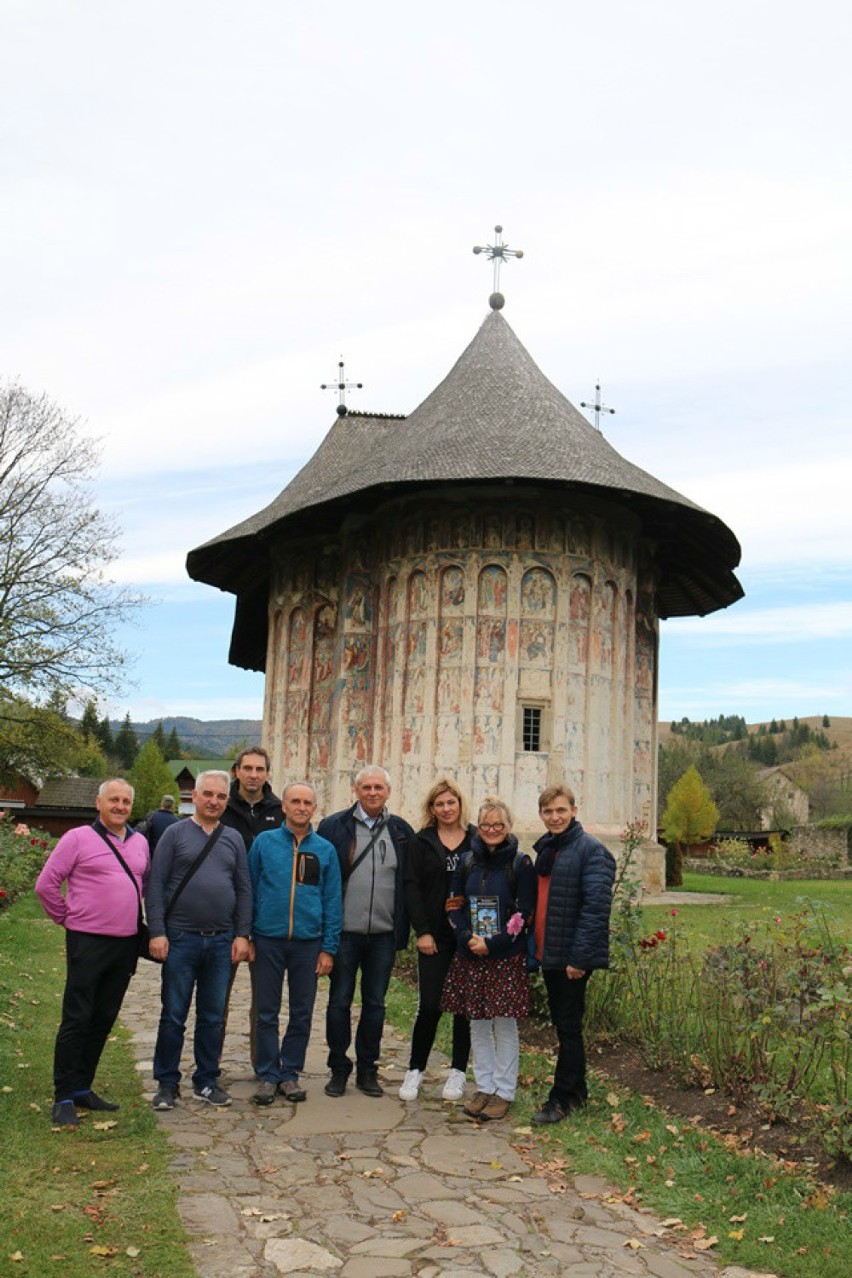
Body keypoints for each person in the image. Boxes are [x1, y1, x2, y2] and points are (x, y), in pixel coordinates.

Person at [35, 778, 149, 1128]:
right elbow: (46, 884)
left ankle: (84, 1086)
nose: (120, 806)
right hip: (88, 940)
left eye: (126, 801)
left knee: (103, 1016)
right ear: (98, 803)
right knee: (77, 1017)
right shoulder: (77, 838)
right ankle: (64, 1095)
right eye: (113, 800)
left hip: (125, 942)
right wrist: (68, 919)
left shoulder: (141, 841)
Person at [147, 771, 252, 1110]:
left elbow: (243, 888)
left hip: (221, 941)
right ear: (194, 795)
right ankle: (166, 1083)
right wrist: (158, 932)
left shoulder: (232, 838)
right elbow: (156, 884)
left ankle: (206, 1080)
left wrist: (241, 934)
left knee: (212, 1016)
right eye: (208, 794)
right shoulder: (175, 834)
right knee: (174, 1014)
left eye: (221, 797)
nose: (214, 801)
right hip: (180, 939)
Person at [318, 765, 414, 1098]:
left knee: (375, 1004)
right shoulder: (334, 826)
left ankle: (368, 1069)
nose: (372, 793)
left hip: (383, 935)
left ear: (388, 791)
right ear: (356, 791)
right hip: (345, 932)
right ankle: (338, 1068)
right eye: (366, 787)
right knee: (339, 1001)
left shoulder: (401, 830)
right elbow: (321, 877)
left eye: (378, 787)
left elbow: (410, 880)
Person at [248, 782, 342, 1105]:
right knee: (266, 1012)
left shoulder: (325, 850)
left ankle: (290, 1074)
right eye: (295, 802)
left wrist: (329, 947)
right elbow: (249, 886)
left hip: (307, 943)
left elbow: (332, 901)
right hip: (268, 939)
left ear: (315, 809)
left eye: (307, 803)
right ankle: (267, 1074)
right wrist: (246, 934)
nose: (301, 807)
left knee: (301, 1012)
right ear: (284, 806)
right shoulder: (264, 843)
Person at [443, 797, 535, 1122]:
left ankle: (504, 1091)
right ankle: (483, 1086)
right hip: (471, 954)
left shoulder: (521, 864)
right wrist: (466, 937)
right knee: (478, 1023)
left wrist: (493, 943)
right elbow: (454, 905)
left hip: (503, 957)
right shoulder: (468, 861)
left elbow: (524, 914)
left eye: (498, 825)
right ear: (478, 828)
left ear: (508, 827)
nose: (492, 830)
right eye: (486, 825)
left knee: (504, 1025)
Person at [530, 783, 615, 1124]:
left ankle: (560, 1100)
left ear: (574, 811)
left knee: (568, 1028)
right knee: (566, 1026)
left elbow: (596, 909)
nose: (555, 816)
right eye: (548, 811)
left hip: (570, 957)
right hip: (551, 953)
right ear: (542, 814)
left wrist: (579, 959)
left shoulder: (590, 851)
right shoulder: (550, 850)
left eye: (561, 810)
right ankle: (577, 1092)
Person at [400, 778, 474, 1102]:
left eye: (451, 802)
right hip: (436, 936)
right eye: (440, 804)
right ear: (432, 808)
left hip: (468, 937)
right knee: (429, 1005)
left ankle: (458, 1072)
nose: (446, 809)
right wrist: (423, 931)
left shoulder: (476, 840)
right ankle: (415, 1069)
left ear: (460, 804)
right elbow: (411, 887)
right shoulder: (421, 842)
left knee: (464, 1008)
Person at [219, 746, 284, 1062]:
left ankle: (264, 1066)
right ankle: (210, 1066)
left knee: (265, 1002)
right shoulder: (221, 806)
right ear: (237, 771)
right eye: (248, 768)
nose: (253, 774)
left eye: (260, 769)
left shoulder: (280, 812)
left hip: (266, 917)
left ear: (267, 774)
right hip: (225, 915)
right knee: (217, 999)